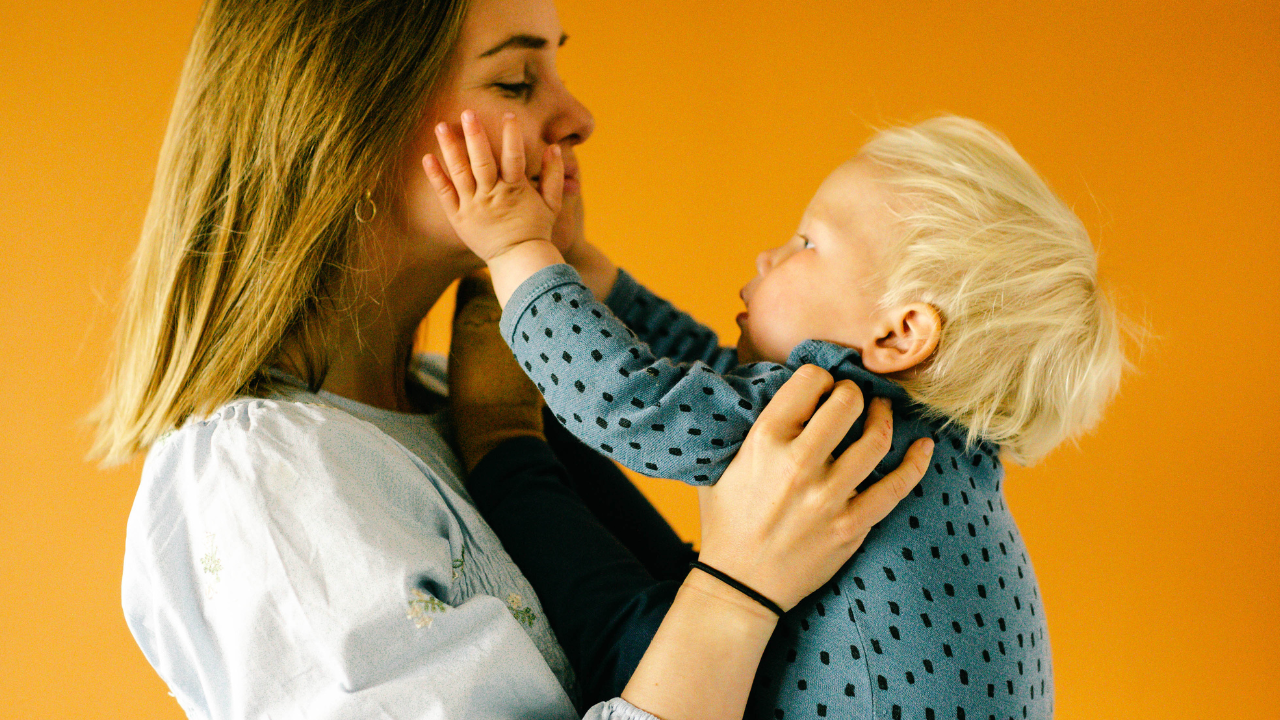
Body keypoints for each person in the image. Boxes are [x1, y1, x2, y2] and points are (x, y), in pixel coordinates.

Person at [88, 1, 932, 718]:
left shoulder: (464, 405)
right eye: (516, 81)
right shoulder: (265, 475)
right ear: (349, 122)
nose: (578, 118)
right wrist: (736, 592)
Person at [423, 113, 1128, 717]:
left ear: (899, 333)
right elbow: (713, 388)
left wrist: (517, 251)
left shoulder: (852, 426)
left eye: (807, 243)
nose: (770, 254)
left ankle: (501, 440)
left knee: (625, 624)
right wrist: (586, 268)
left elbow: (628, 401)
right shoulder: (937, 445)